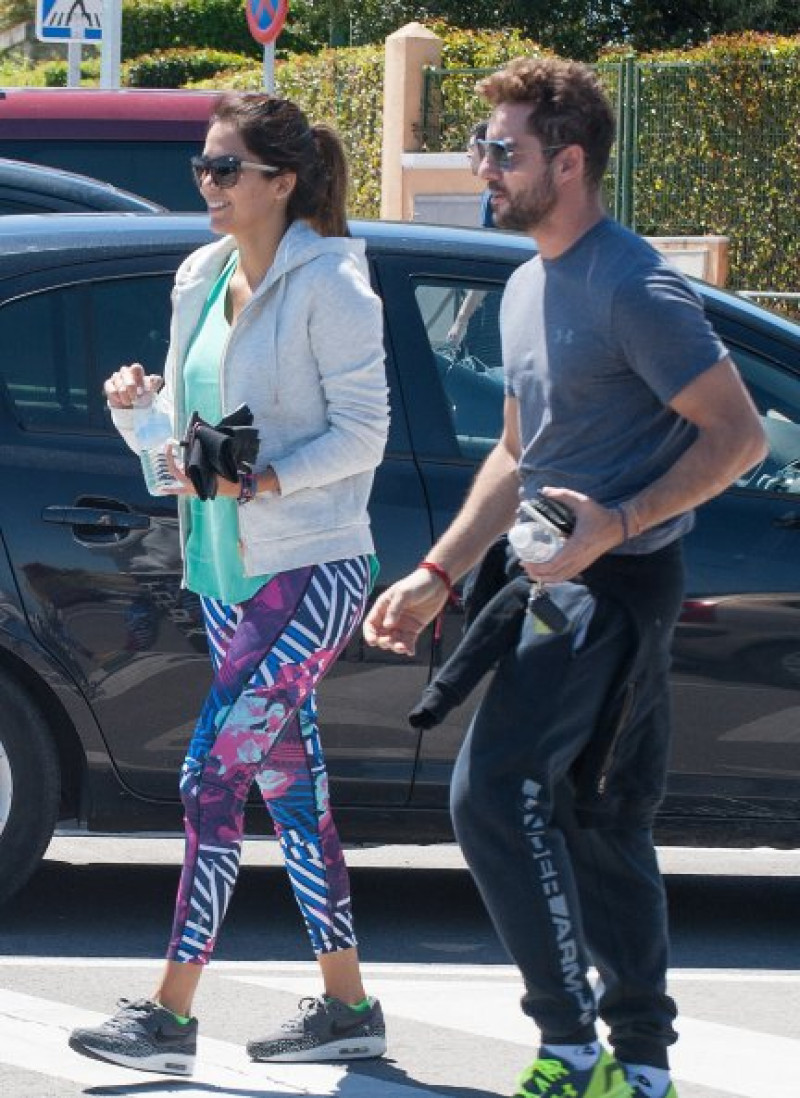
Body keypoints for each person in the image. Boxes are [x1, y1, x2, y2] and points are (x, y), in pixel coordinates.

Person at [364, 57, 766, 1098]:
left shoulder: (629, 284)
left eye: (500, 151)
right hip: (555, 580)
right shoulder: (527, 283)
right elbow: (514, 450)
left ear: (569, 160)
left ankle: (574, 1045)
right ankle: (635, 1066)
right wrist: (438, 572)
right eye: (478, 149)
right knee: (599, 818)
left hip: (617, 587)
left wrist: (615, 522)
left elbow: (740, 435)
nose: (482, 169)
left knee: (494, 795)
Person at [68, 92, 389, 1076]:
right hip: (221, 570)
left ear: (280, 183)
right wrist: (139, 418)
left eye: (222, 169)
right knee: (292, 794)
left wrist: (270, 477)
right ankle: (348, 1008)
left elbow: (365, 431)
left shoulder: (332, 282)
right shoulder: (199, 276)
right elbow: (183, 458)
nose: (204, 184)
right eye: (201, 167)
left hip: (311, 570)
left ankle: (169, 1018)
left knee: (210, 779)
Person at [447, 120, 494, 348]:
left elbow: (490, 264)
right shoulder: (491, 195)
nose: (468, 153)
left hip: (493, 317)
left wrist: (460, 320)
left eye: (471, 146)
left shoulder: (495, 197)